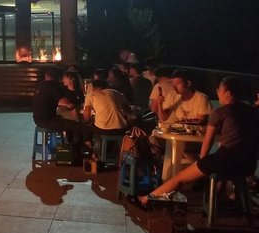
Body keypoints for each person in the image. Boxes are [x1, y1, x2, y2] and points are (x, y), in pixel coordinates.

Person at [138, 77, 259, 206]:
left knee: (179, 178)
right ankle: (221, 202)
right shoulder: (253, 112)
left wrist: (202, 162)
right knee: (217, 173)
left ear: (228, 93)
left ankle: (147, 199)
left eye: (219, 89)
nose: (217, 92)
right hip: (248, 164)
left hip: (224, 160)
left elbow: (208, 141)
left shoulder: (219, 112)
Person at [32, 66, 83, 154]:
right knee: (78, 127)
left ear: (46, 75)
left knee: (67, 122)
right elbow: (65, 102)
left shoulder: (40, 85)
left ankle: (64, 150)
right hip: (48, 120)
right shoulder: (53, 87)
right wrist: (73, 106)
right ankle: (75, 153)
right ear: (57, 78)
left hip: (37, 119)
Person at [83, 79, 130, 149]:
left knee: (86, 126)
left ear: (94, 88)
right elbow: (128, 109)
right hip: (120, 129)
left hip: (103, 130)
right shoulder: (116, 93)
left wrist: (91, 120)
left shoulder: (91, 95)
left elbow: (86, 115)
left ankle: (91, 149)